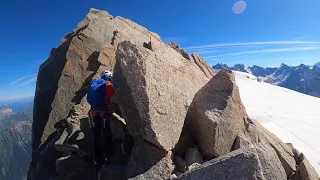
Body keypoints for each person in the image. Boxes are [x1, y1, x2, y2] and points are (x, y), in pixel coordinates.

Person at [87, 70, 116, 167]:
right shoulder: (108, 85)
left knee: (97, 133)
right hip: (104, 112)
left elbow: (89, 99)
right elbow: (113, 96)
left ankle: (96, 158)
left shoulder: (95, 84)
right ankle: (108, 155)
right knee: (107, 133)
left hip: (95, 113)